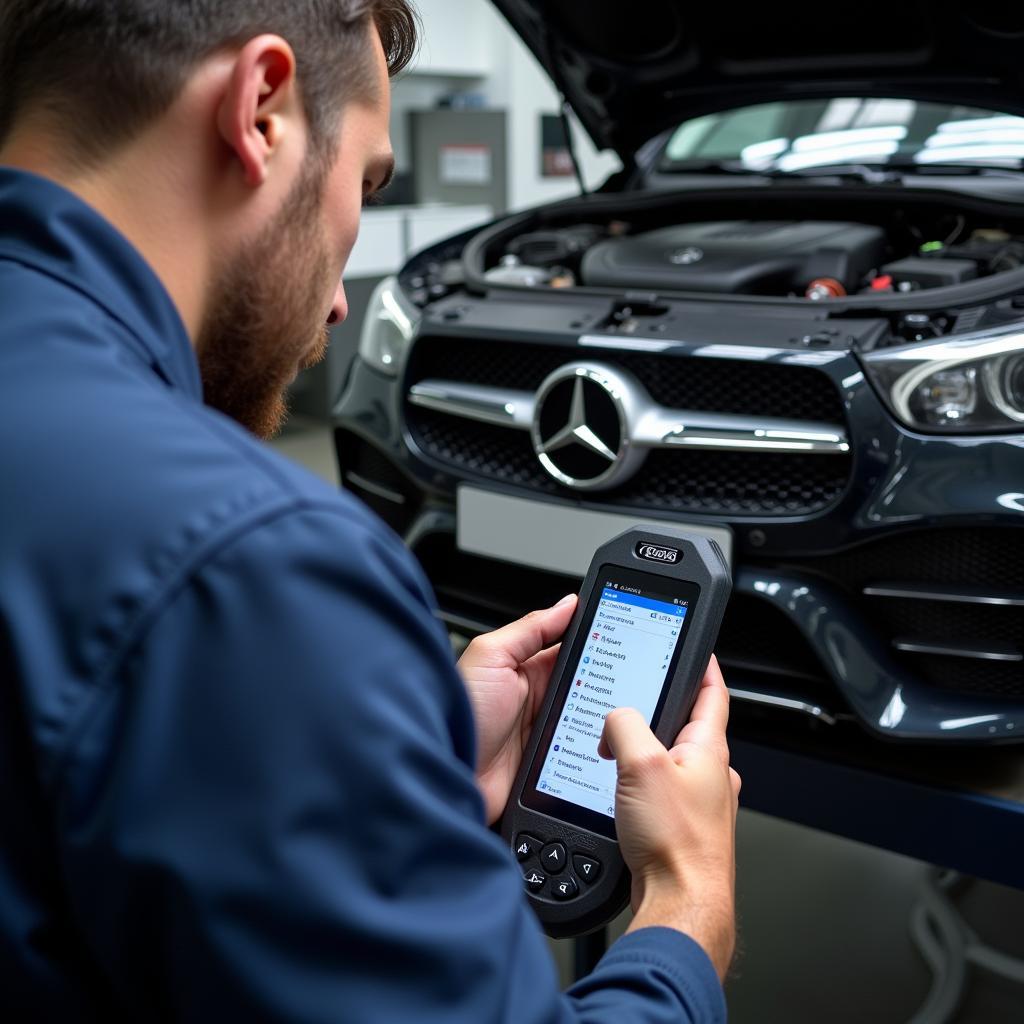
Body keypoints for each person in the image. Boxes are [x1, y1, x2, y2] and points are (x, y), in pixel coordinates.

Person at [0, 1, 741, 1020]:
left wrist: (394, 758)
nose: (344, 300)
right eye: (366, 181)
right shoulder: (250, 566)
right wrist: (686, 912)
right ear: (260, 109)